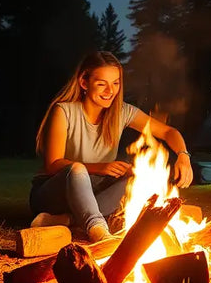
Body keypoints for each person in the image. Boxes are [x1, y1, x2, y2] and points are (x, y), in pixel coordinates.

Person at [30, 51, 194, 242]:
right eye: (102, 84)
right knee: (77, 170)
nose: (110, 91)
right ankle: (98, 230)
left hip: (93, 191)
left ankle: (66, 220)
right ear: (84, 82)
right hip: (53, 194)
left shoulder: (122, 112)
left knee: (136, 176)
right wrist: (100, 168)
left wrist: (183, 155)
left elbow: (168, 132)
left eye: (115, 83)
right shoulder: (64, 111)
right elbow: (53, 164)